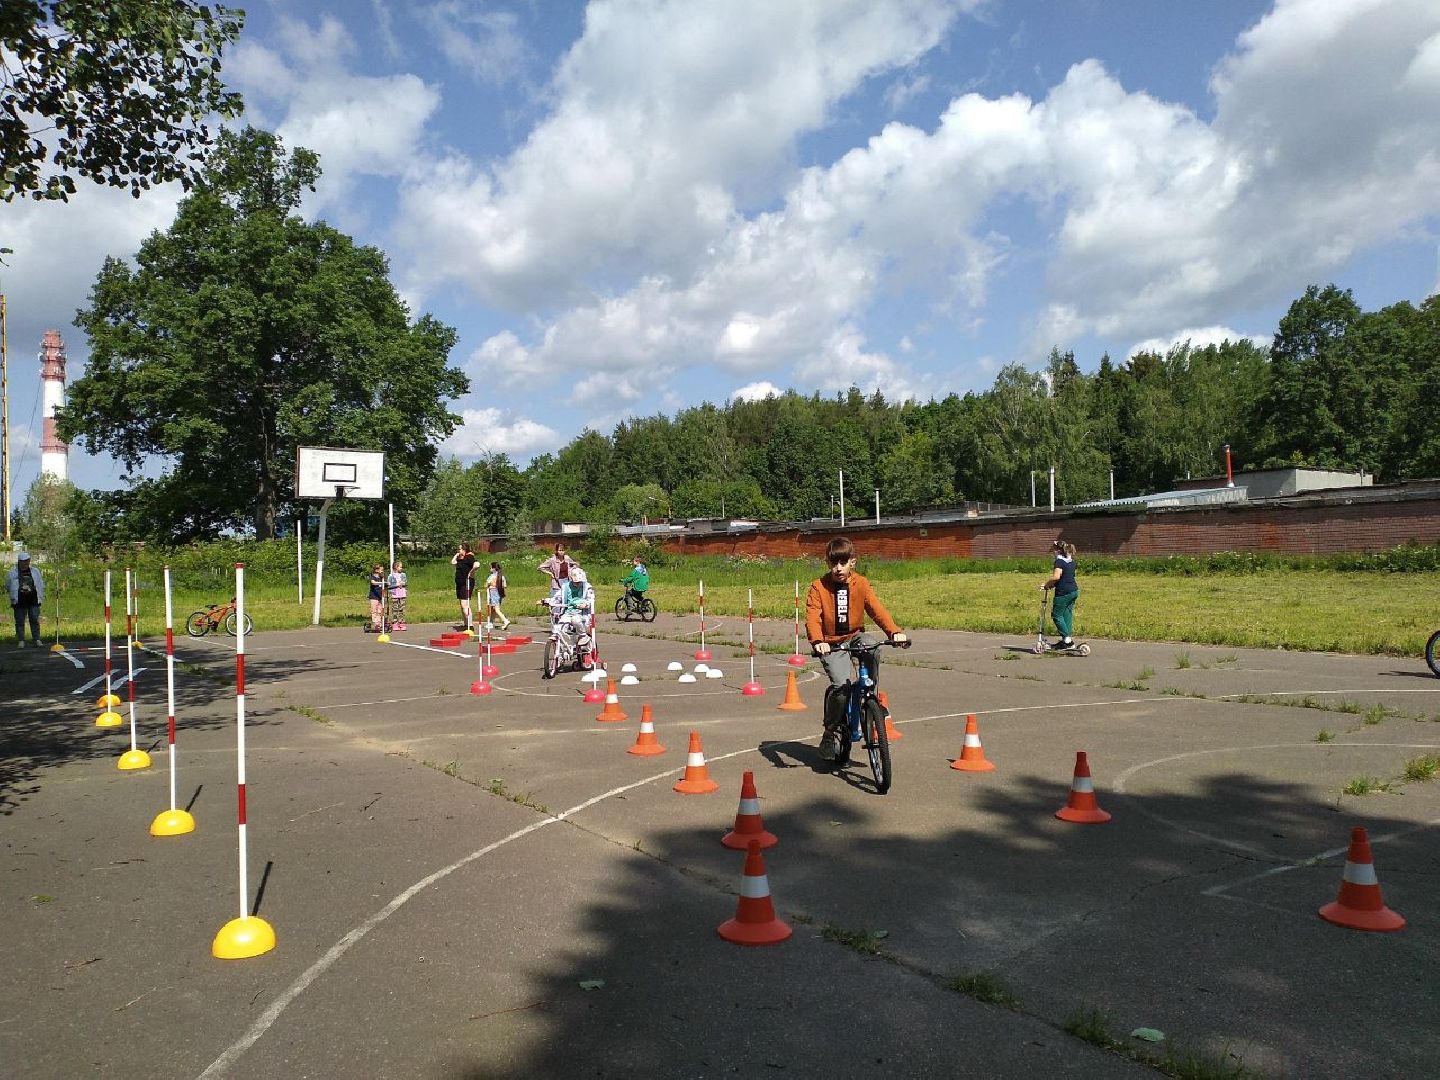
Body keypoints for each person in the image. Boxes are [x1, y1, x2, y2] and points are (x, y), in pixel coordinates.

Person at [805, 536, 906, 760]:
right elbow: (812, 617)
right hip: (831, 643)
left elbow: (876, 609)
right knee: (841, 687)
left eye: (843, 563)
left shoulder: (861, 583)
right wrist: (817, 641)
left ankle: (872, 697)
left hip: (855, 637)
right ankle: (830, 733)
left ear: (853, 562)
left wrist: (894, 632)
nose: (838, 568)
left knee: (872, 646)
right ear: (828, 563)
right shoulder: (818, 587)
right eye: (833, 563)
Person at [537, 564, 593, 651]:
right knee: (560, 624)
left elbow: (590, 599)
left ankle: (583, 636)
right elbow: (557, 598)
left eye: (579, 582)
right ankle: (558, 641)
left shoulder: (587, 587)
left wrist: (585, 604)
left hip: (581, 613)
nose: (577, 584)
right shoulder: (566, 587)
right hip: (568, 612)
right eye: (575, 582)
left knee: (576, 620)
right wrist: (546, 601)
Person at [1041, 539, 1079, 650]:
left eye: (1053, 550)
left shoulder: (1059, 562)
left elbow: (1057, 577)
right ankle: (1066, 639)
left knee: (1057, 615)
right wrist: (1052, 585)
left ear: (1057, 551)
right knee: (1067, 614)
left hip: (1063, 593)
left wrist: (1046, 585)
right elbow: (1065, 577)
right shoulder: (1071, 561)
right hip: (1073, 591)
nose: (1052, 552)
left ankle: (1068, 642)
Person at [6, 551, 44, 647]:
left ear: (29, 561)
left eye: (26, 561)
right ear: (19, 561)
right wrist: (13, 595)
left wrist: (40, 595)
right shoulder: (12, 572)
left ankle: (37, 639)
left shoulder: (35, 571)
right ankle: (21, 640)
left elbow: (40, 584)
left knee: (34, 619)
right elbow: (7, 585)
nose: (24, 563)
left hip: (33, 599)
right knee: (19, 620)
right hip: (19, 599)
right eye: (22, 561)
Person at [451, 542, 478, 630]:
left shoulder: (469, 557)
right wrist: (456, 555)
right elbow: (453, 562)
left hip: (467, 582)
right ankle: (466, 624)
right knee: (462, 605)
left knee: (465, 604)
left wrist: (471, 572)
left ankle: (470, 625)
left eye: (459, 549)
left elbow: (477, 564)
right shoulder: (460, 559)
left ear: (464, 549)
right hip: (459, 583)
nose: (458, 551)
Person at [484, 561, 510, 630]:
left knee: (496, 609)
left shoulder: (491, 576)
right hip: (499, 593)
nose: (490, 568)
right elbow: (504, 586)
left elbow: (486, 585)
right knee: (493, 609)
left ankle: (505, 620)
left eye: (491, 567)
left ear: (494, 568)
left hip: (493, 593)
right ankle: (490, 623)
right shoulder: (502, 576)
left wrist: (489, 585)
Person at [387, 560, 408, 631]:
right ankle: (395, 623)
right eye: (400, 567)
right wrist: (396, 585)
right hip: (395, 594)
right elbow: (389, 585)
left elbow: (405, 582)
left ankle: (401, 622)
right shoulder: (391, 576)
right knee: (395, 609)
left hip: (402, 594)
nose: (401, 568)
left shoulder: (403, 575)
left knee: (402, 609)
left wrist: (403, 584)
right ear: (396, 567)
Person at [366, 564, 386, 632]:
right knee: (374, 610)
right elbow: (373, 583)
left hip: (380, 597)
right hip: (374, 597)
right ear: (376, 570)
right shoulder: (373, 577)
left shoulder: (381, 577)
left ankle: (379, 623)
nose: (382, 571)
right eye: (381, 570)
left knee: (380, 610)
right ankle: (376, 623)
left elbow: (385, 584)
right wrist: (379, 583)